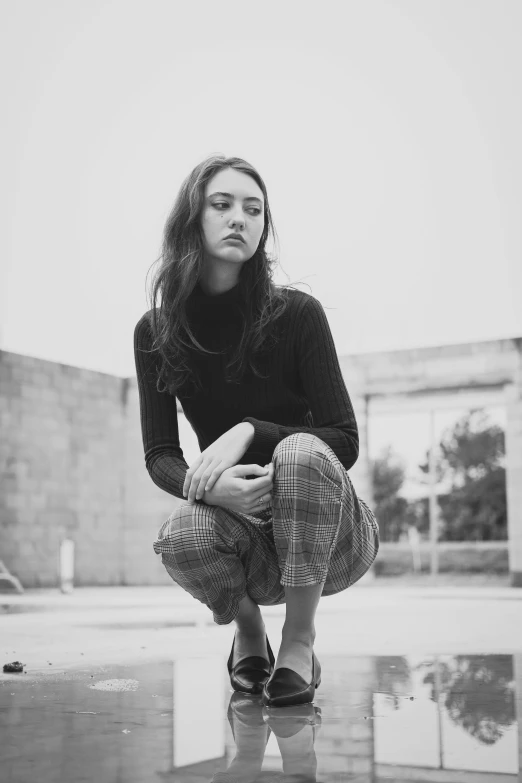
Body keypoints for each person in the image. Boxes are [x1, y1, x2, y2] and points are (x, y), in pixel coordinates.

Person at [134, 154, 379, 708]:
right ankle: (249, 632)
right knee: (181, 530)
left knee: (299, 451)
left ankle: (299, 639)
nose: (239, 219)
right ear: (192, 219)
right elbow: (160, 455)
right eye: (222, 205)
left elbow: (344, 438)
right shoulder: (156, 330)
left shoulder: (297, 315)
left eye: (253, 209)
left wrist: (249, 429)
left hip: (330, 536)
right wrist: (208, 486)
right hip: (246, 541)